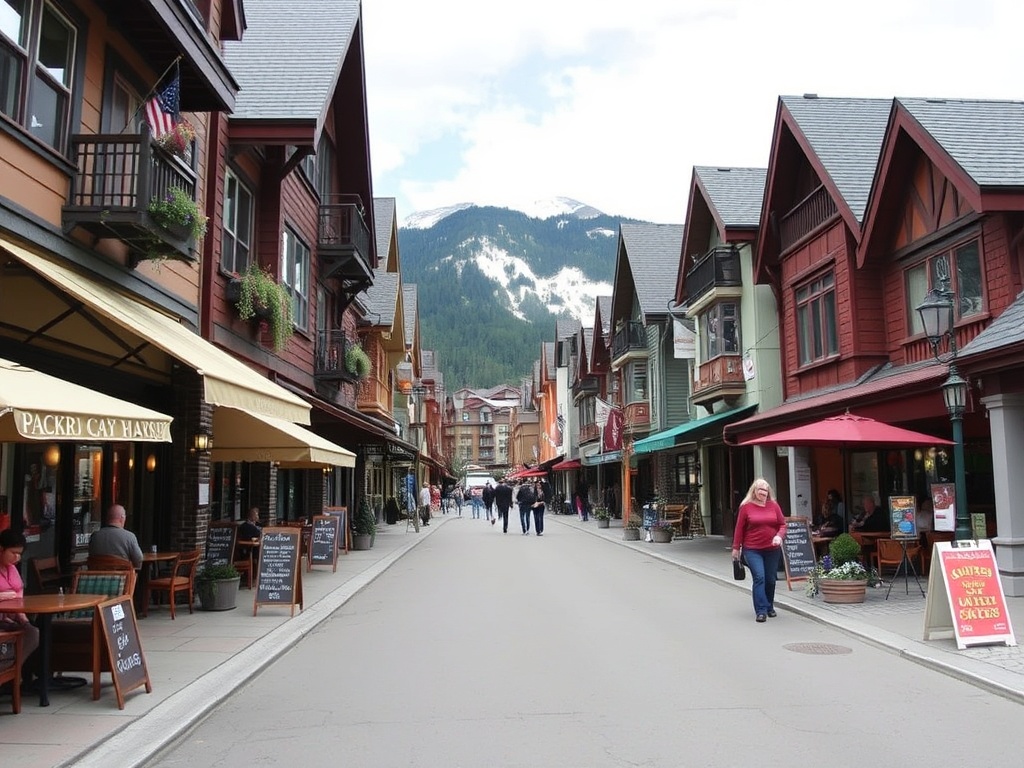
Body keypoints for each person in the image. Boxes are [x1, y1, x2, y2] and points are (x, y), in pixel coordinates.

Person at [731, 478, 786, 623]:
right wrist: (736, 548)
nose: (763, 493)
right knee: (759, 578)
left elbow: (782, 524)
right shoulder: (746, 507)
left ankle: (769, 606)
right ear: (754, 491)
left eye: (766, 490)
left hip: (772, 549)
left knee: (771, 580)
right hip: (753, 549)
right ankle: (761, 611)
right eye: (760, 490)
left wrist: (779, 536)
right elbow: (739, 529)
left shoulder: (773, 505)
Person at [0, 529, 40, 684]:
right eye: (13, 553)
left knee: (32, 633)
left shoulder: (13, 570)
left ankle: (14, 671)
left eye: (20, 554)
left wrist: (24, 621)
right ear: (1, 549)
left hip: (12, 619)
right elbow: (15, 596)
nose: (17, 557)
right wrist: (5, 596)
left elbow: (19, 597)